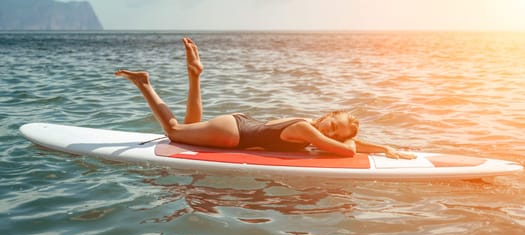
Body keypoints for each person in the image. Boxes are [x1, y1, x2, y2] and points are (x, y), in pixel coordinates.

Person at [115, 37, 414, 159]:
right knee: (175, 131)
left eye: (336, 132)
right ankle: (144, 83)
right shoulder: (307, 129)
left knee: (187, 131)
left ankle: (194, 75)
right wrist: (349, 145)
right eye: (334, 125)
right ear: (328, 115)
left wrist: (386, 148)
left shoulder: (310, 124)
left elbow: (351, 145)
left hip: (239, 125)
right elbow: (347, 151)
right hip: (235, 134)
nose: (331, 132)